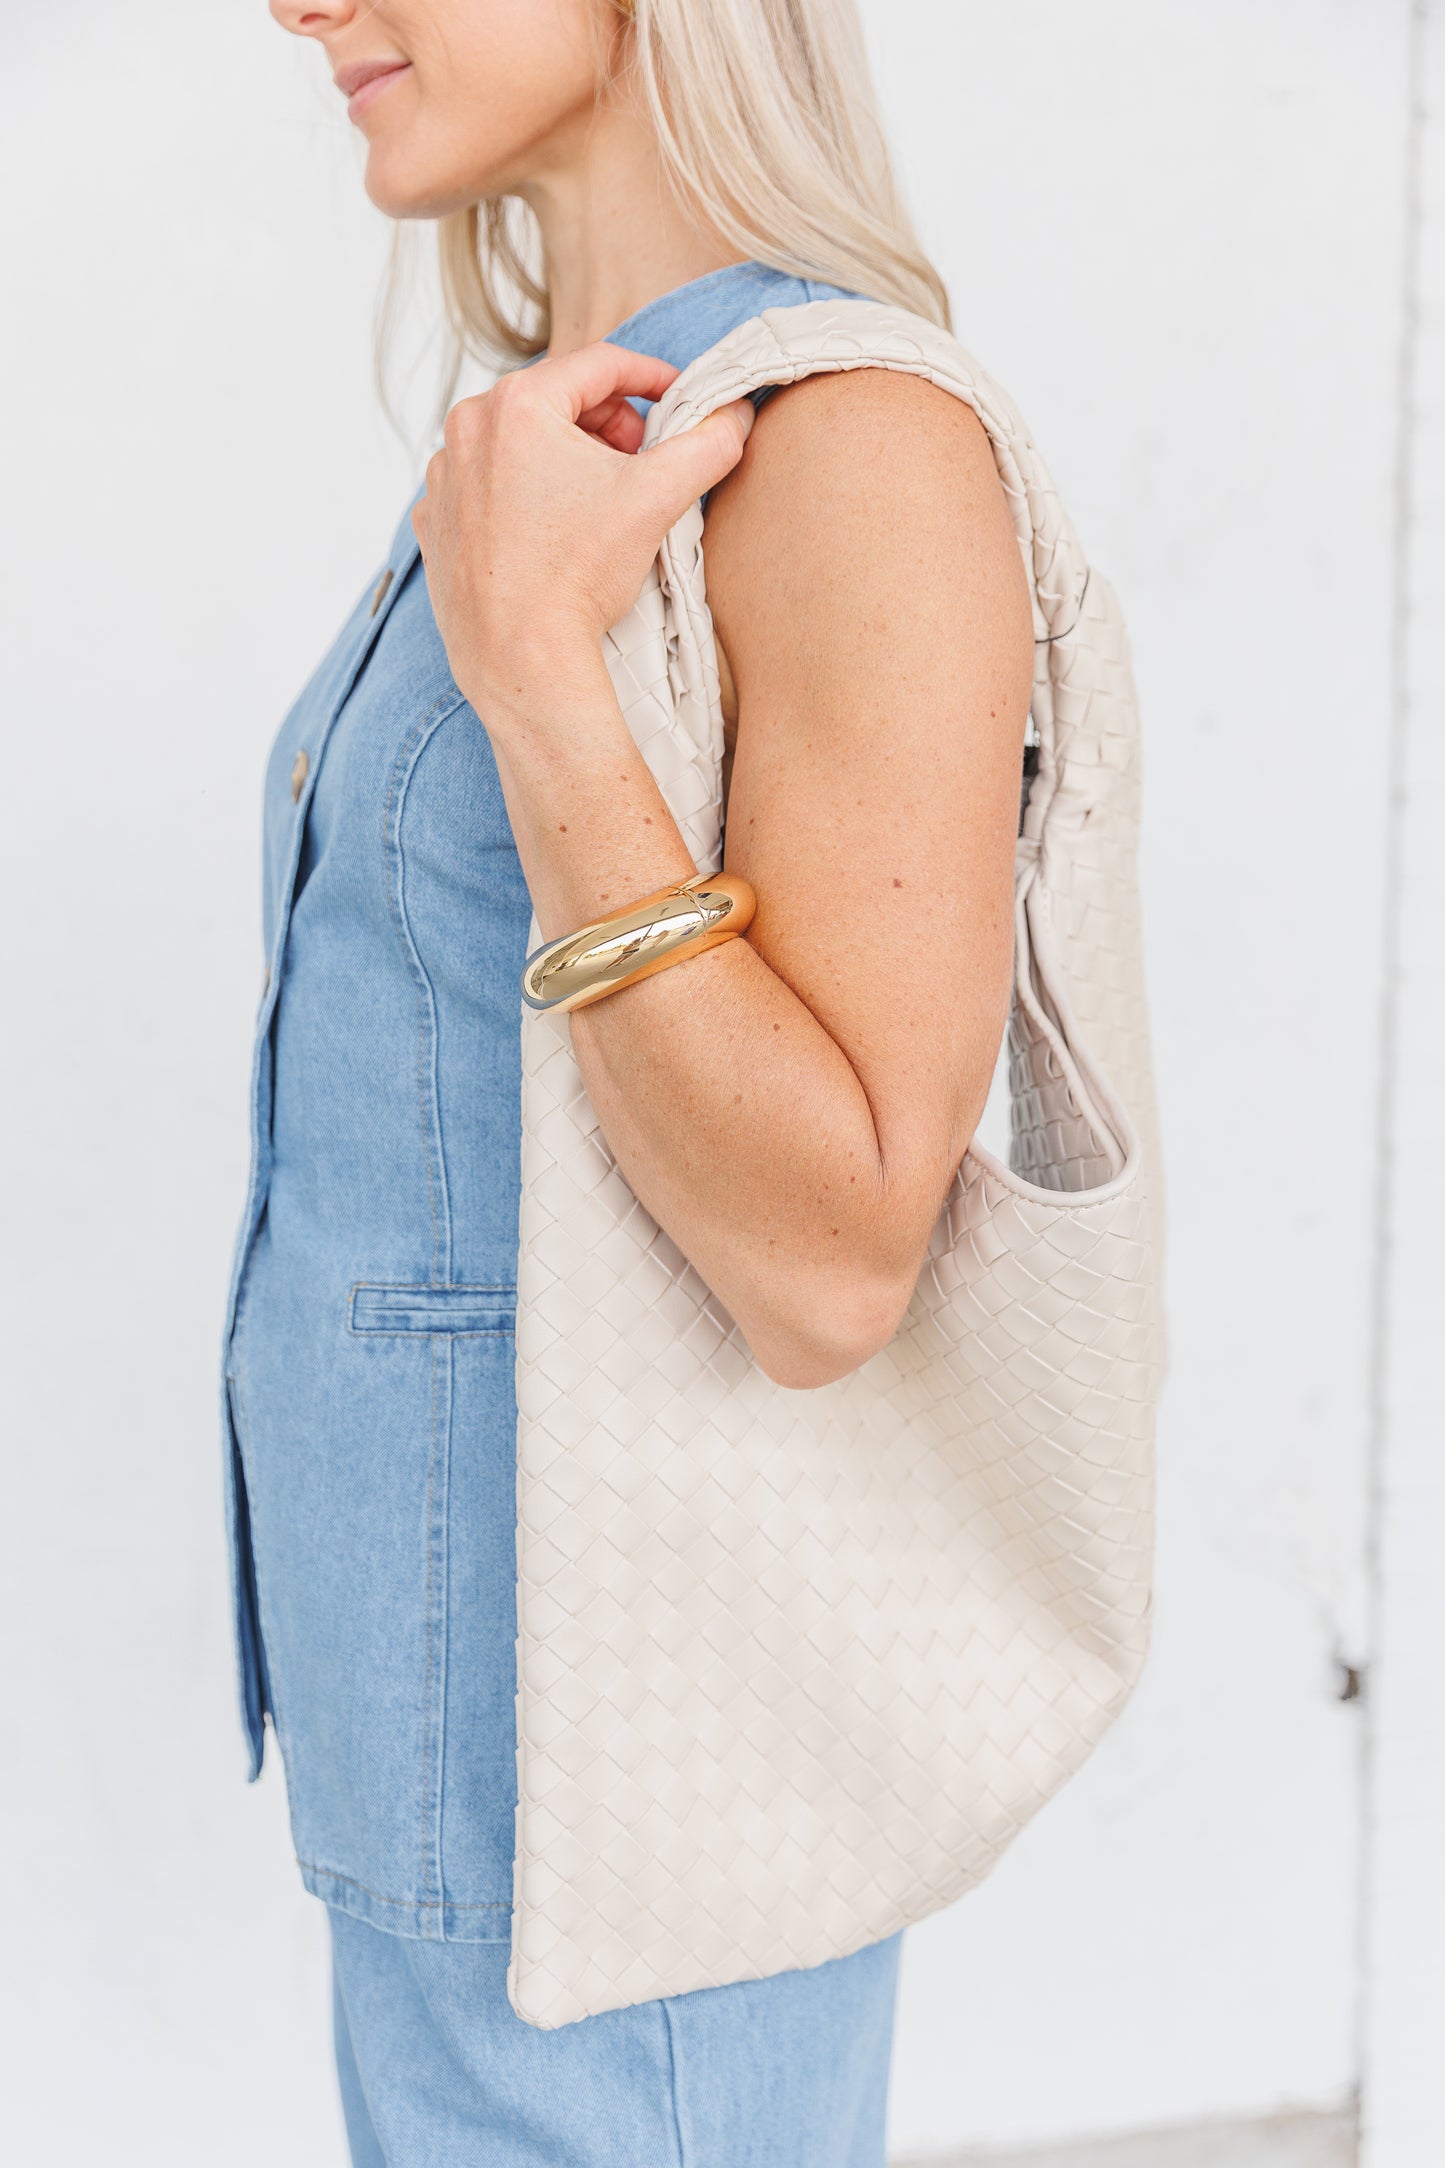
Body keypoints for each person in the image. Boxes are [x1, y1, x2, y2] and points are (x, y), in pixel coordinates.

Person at [227, 0, 1034, 2159]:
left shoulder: (847, 438)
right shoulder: (581, 432)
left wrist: (531, 673)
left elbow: (835, 1263)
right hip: (473, 1737)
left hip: (626, 1760)